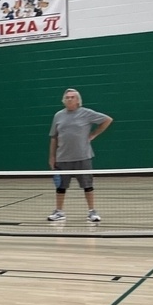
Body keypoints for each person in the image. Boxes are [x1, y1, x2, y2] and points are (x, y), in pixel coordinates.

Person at [48, 89, 113, 223]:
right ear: (63, 100)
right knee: (60, 187)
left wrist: (94, 134)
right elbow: (54, 138)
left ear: (78, 100)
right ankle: (59, 212)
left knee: (87, 185)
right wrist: (52, 157)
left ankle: (92, 212)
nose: (69, 99)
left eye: (72, 97)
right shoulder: (58, 116)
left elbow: (107, 120)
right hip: (63, 158)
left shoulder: (87, 113)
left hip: (83, 157)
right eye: (67, 97)